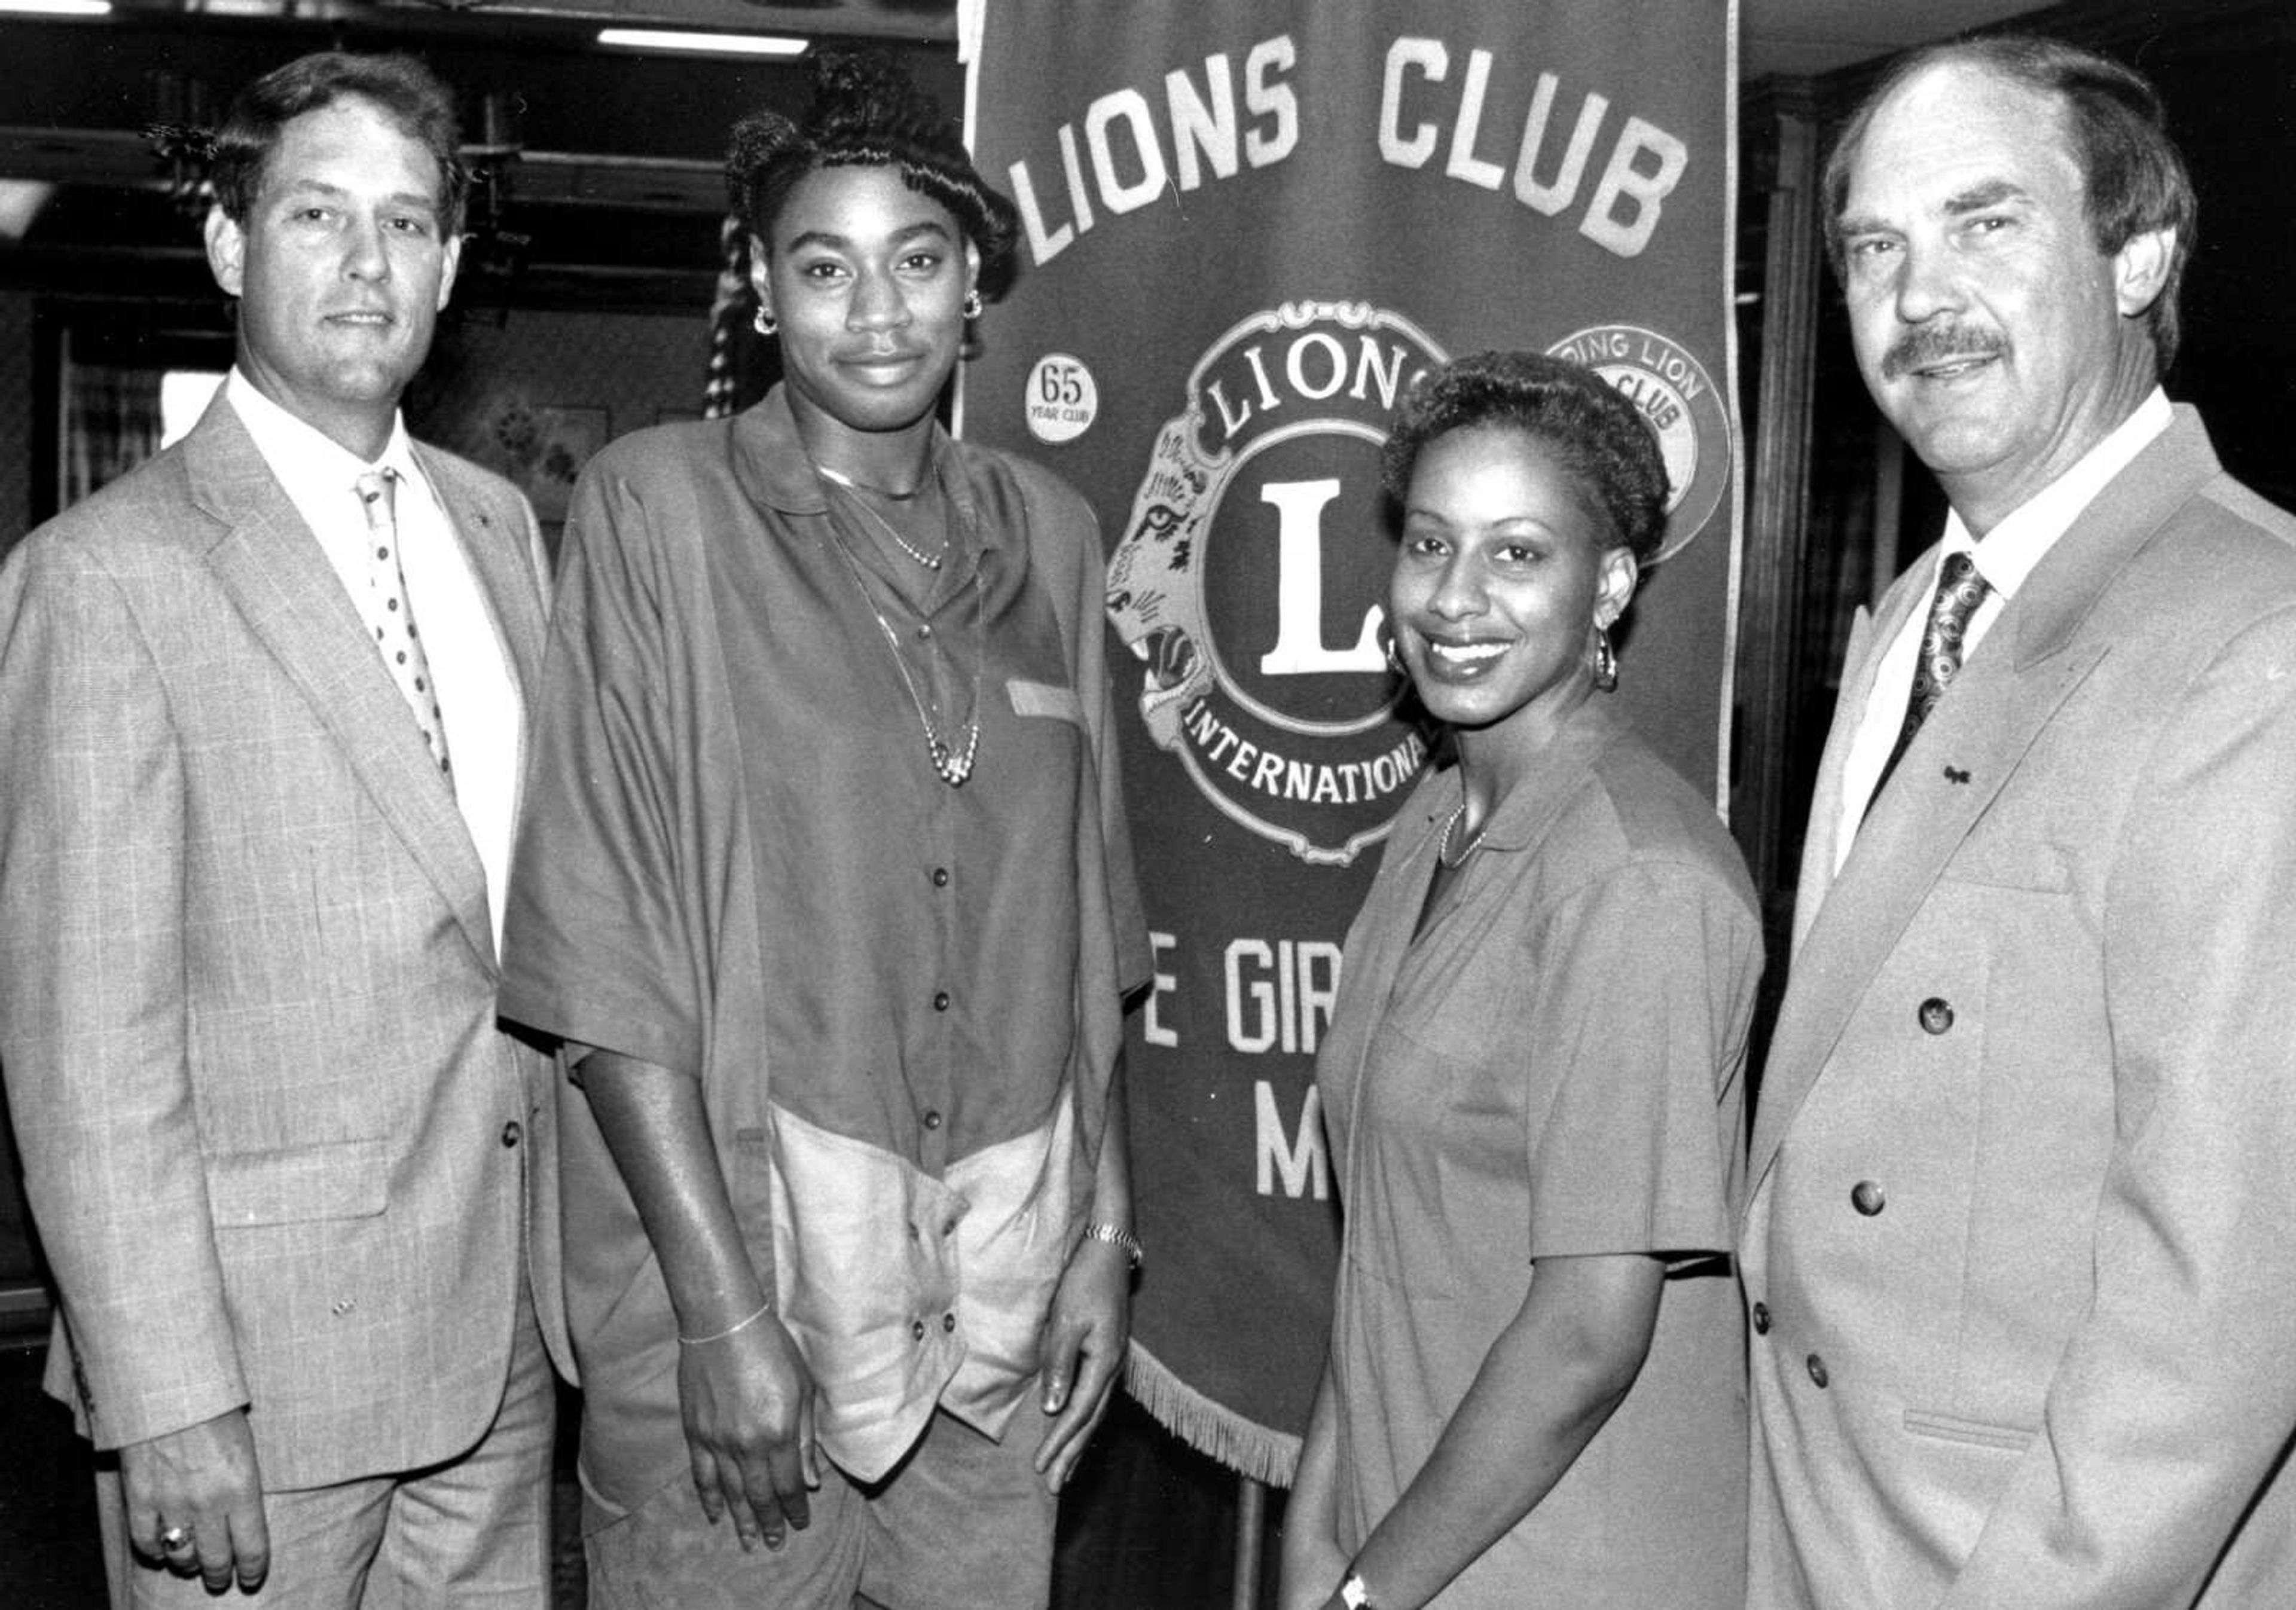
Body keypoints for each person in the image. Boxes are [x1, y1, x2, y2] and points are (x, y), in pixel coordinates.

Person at [494, 51, 1147, 1610]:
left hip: (990, 1334)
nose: (879, 309)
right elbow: (604, 946)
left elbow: (1091, 932)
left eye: (919, 261)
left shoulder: (1051, 535)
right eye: (826, 265)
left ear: (971, 286)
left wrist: (1108, 1233)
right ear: (762, 291)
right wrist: (721, 1315)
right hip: (748, 1332)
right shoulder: (660, 515)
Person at [0, 50, 569, 1608]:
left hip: (503, 1340)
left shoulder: (499, 526)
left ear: (450, 266)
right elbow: (83, 1046)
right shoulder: (106, 577)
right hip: (256, 1378)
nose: (369, 261)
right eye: (319, 215)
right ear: (232, 247)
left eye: (406, 223)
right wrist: (167, 1390)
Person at [1741, 33, 2296, 1609]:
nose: (1918, 301)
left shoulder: (2258, 640)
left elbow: (2222, 1311)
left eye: (1985, 223)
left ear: (2140, 255)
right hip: (1827, 1532)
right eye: (1873, 248)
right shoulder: (1918, 612)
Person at [1278, 352, 1761, 1610]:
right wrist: (1317, 1546)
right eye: (1431, 543)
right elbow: (1379, 1251)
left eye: (1517, 554)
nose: (1455, 598)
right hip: (1405, 1545)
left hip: (1557, 1563)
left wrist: (1365, 1592)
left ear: (1607, 588)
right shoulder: (1437, 818)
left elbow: (1590, 1335)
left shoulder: (1637, 872)